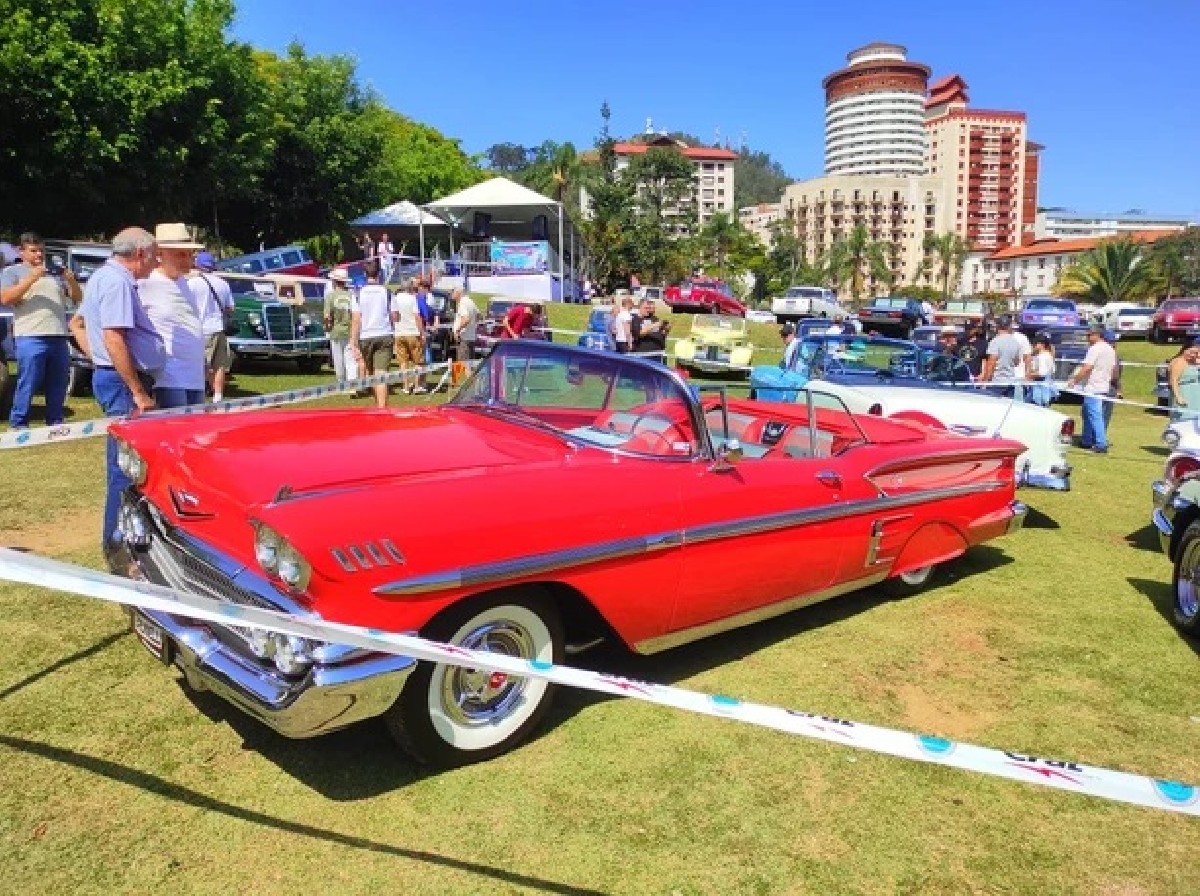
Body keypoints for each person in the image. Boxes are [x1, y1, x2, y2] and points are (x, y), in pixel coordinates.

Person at [70, 227, 165, 566]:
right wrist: (137, 390)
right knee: (126, 468)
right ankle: (118, 541)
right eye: (154, 255)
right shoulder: (117, 281)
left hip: (115, 378)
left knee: (129, 465)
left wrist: (98, 359)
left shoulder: (103, 277)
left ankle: (126, 536)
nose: (155, 262)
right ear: (139, 253)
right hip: (125, 385)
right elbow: (113, 337)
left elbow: (78, 325)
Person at [0, 232, 80, 428]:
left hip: (58, 335)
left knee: (58, 382)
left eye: (41, 251)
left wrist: (70, 281)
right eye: (33, 251)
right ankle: (19, 422)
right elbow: (6, 299)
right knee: (28, 381)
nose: (39, 255)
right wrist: (31, 278)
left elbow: (76, 298)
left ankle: (55, 420)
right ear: (21, 252)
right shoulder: (12, 272)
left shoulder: (54, 274)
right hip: (30, 335)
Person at [139, 223, 206, 409]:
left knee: (195, 433)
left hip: (194, 375)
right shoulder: (147, 283)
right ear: (159, 254)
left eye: (190, 254)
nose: (188, 260)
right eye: (180, 254)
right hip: (168, 376)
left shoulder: (186, 283)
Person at [188, 250, 234, 402]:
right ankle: (218, 395)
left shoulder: (191, 284)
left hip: (201, 329)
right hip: (219, 328)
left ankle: (199, 394)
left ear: (197, 265)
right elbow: (230, 308)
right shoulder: (223, 284)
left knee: (201, 364)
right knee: (219, 364)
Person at [350, 263, 398, 407]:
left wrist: (353, 341)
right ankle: (381, 407)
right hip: (384, 334)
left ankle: (380, 406)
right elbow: (395, 316)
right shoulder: (387, 292)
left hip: (366, 336)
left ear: (365, 275)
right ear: (379, 275)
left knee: (372, 375)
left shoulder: (358, 293)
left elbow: (356, 319)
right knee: (381, 374)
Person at [1065, 325, 1118, 454]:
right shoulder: (1110, 349)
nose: (1087, 338)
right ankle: (1086, 440)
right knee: (1088, 414)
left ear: (1097, 335)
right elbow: (1114, 370)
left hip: (1094, 387)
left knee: (1094, 416)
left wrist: (1075, 380)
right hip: (1104, 386)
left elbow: (1087, 367)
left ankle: (1101, 444)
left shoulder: (1095, 349)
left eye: (1089, 335)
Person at [390, 273, 426, 395]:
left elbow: (393, 316)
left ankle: (405, 386)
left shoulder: (395, 298)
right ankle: (416, 386)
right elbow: (417, 316)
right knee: (418, 361)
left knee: (403, 362)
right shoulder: (412, 299)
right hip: (412, 332)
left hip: (399, 333)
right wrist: (422, 333)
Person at [323, 268, 356, 381]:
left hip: (336, 331)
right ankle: (352, 384)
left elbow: (327, 316)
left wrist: (327, 327)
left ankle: (342, 384)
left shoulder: (330, 296)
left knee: (339, 360)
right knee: (350, 359)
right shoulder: (351, 295)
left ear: (334, 281)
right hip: (350, 331)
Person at [980, 316, 1029, 393]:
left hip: (996, 382)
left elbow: (991, 364)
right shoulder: (1015, 342)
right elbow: (1017, 362)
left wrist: (985, 382)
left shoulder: (995, 342)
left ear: (998, 326)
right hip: (1010, 382)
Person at [1167, 339, 1200, 422]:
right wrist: (1178, 397)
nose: (1193, 355)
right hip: (1184, 393)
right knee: (1184, 419)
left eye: (1195, 353)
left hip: (1195, 395)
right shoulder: (1178, 362)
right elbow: (1173, 381)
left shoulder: (1193, 362)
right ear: (1185, 349)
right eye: (1191, 352)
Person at [630, 297, 669, 362]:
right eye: (646, 308)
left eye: (649, 308)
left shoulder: (654, 318)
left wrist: (666, 329)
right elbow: (639, 333)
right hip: (644, 354)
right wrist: (654, 325)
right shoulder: (635, 319)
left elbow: (662, 334)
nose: (648, 310)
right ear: (639, 308)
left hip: (658, 352)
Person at [451, 288, 479, 373]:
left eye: (452, 292)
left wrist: (458, 330)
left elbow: (466, 319)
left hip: (464, 338)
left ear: (458, 293)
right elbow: (478, 315)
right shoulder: (470, 301)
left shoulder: (462, 303)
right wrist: (473, 326)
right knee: (469, 365)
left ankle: (470, 385)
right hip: (471, 336)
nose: (451, 295)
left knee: (465, 365)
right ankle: (473, 383)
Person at [1027, 334, 1058, 407]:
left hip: (1040, 389)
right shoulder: (1049, 355)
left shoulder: (1041, 357)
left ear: (1042, 344)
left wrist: (1029, 375)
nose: (1033, 345)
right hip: (1048, 387)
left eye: (1035, 343)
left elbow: (1042, 373)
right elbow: (1053, 370)